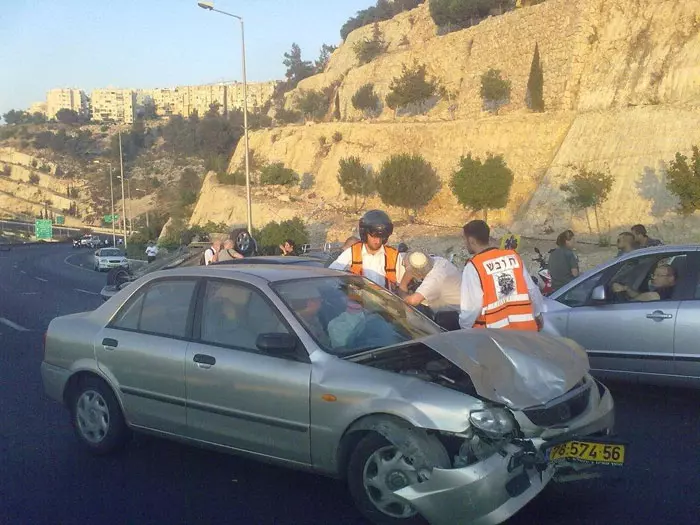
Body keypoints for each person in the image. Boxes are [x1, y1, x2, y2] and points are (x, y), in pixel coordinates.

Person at [459, 220, 543, 331]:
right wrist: (537, 314)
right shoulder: (513, 256)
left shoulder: (473, 267)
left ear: (471, 240)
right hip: (525, 332)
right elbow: (531, 290)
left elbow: (472, 308)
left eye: (464, 239)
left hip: (496, 336)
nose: (464, 243)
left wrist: (464, 328)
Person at [328, 210, 405, 289]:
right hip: (357, 300)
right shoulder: (352, 252)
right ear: (364, 234)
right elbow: (330, 276)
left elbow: (402, 285)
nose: (378, 241)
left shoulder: (394, 255)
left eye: (381, 237)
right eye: (374, 237)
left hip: (386, 300)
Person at [612, 263, 676, 301]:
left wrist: (626, 302)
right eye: (654, 275)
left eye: (658, 275)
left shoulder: (667, 291)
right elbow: (641, 296)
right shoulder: (661, 289)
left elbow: (649, 296)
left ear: (671, 278)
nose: (654, 278)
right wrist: (626, 289)